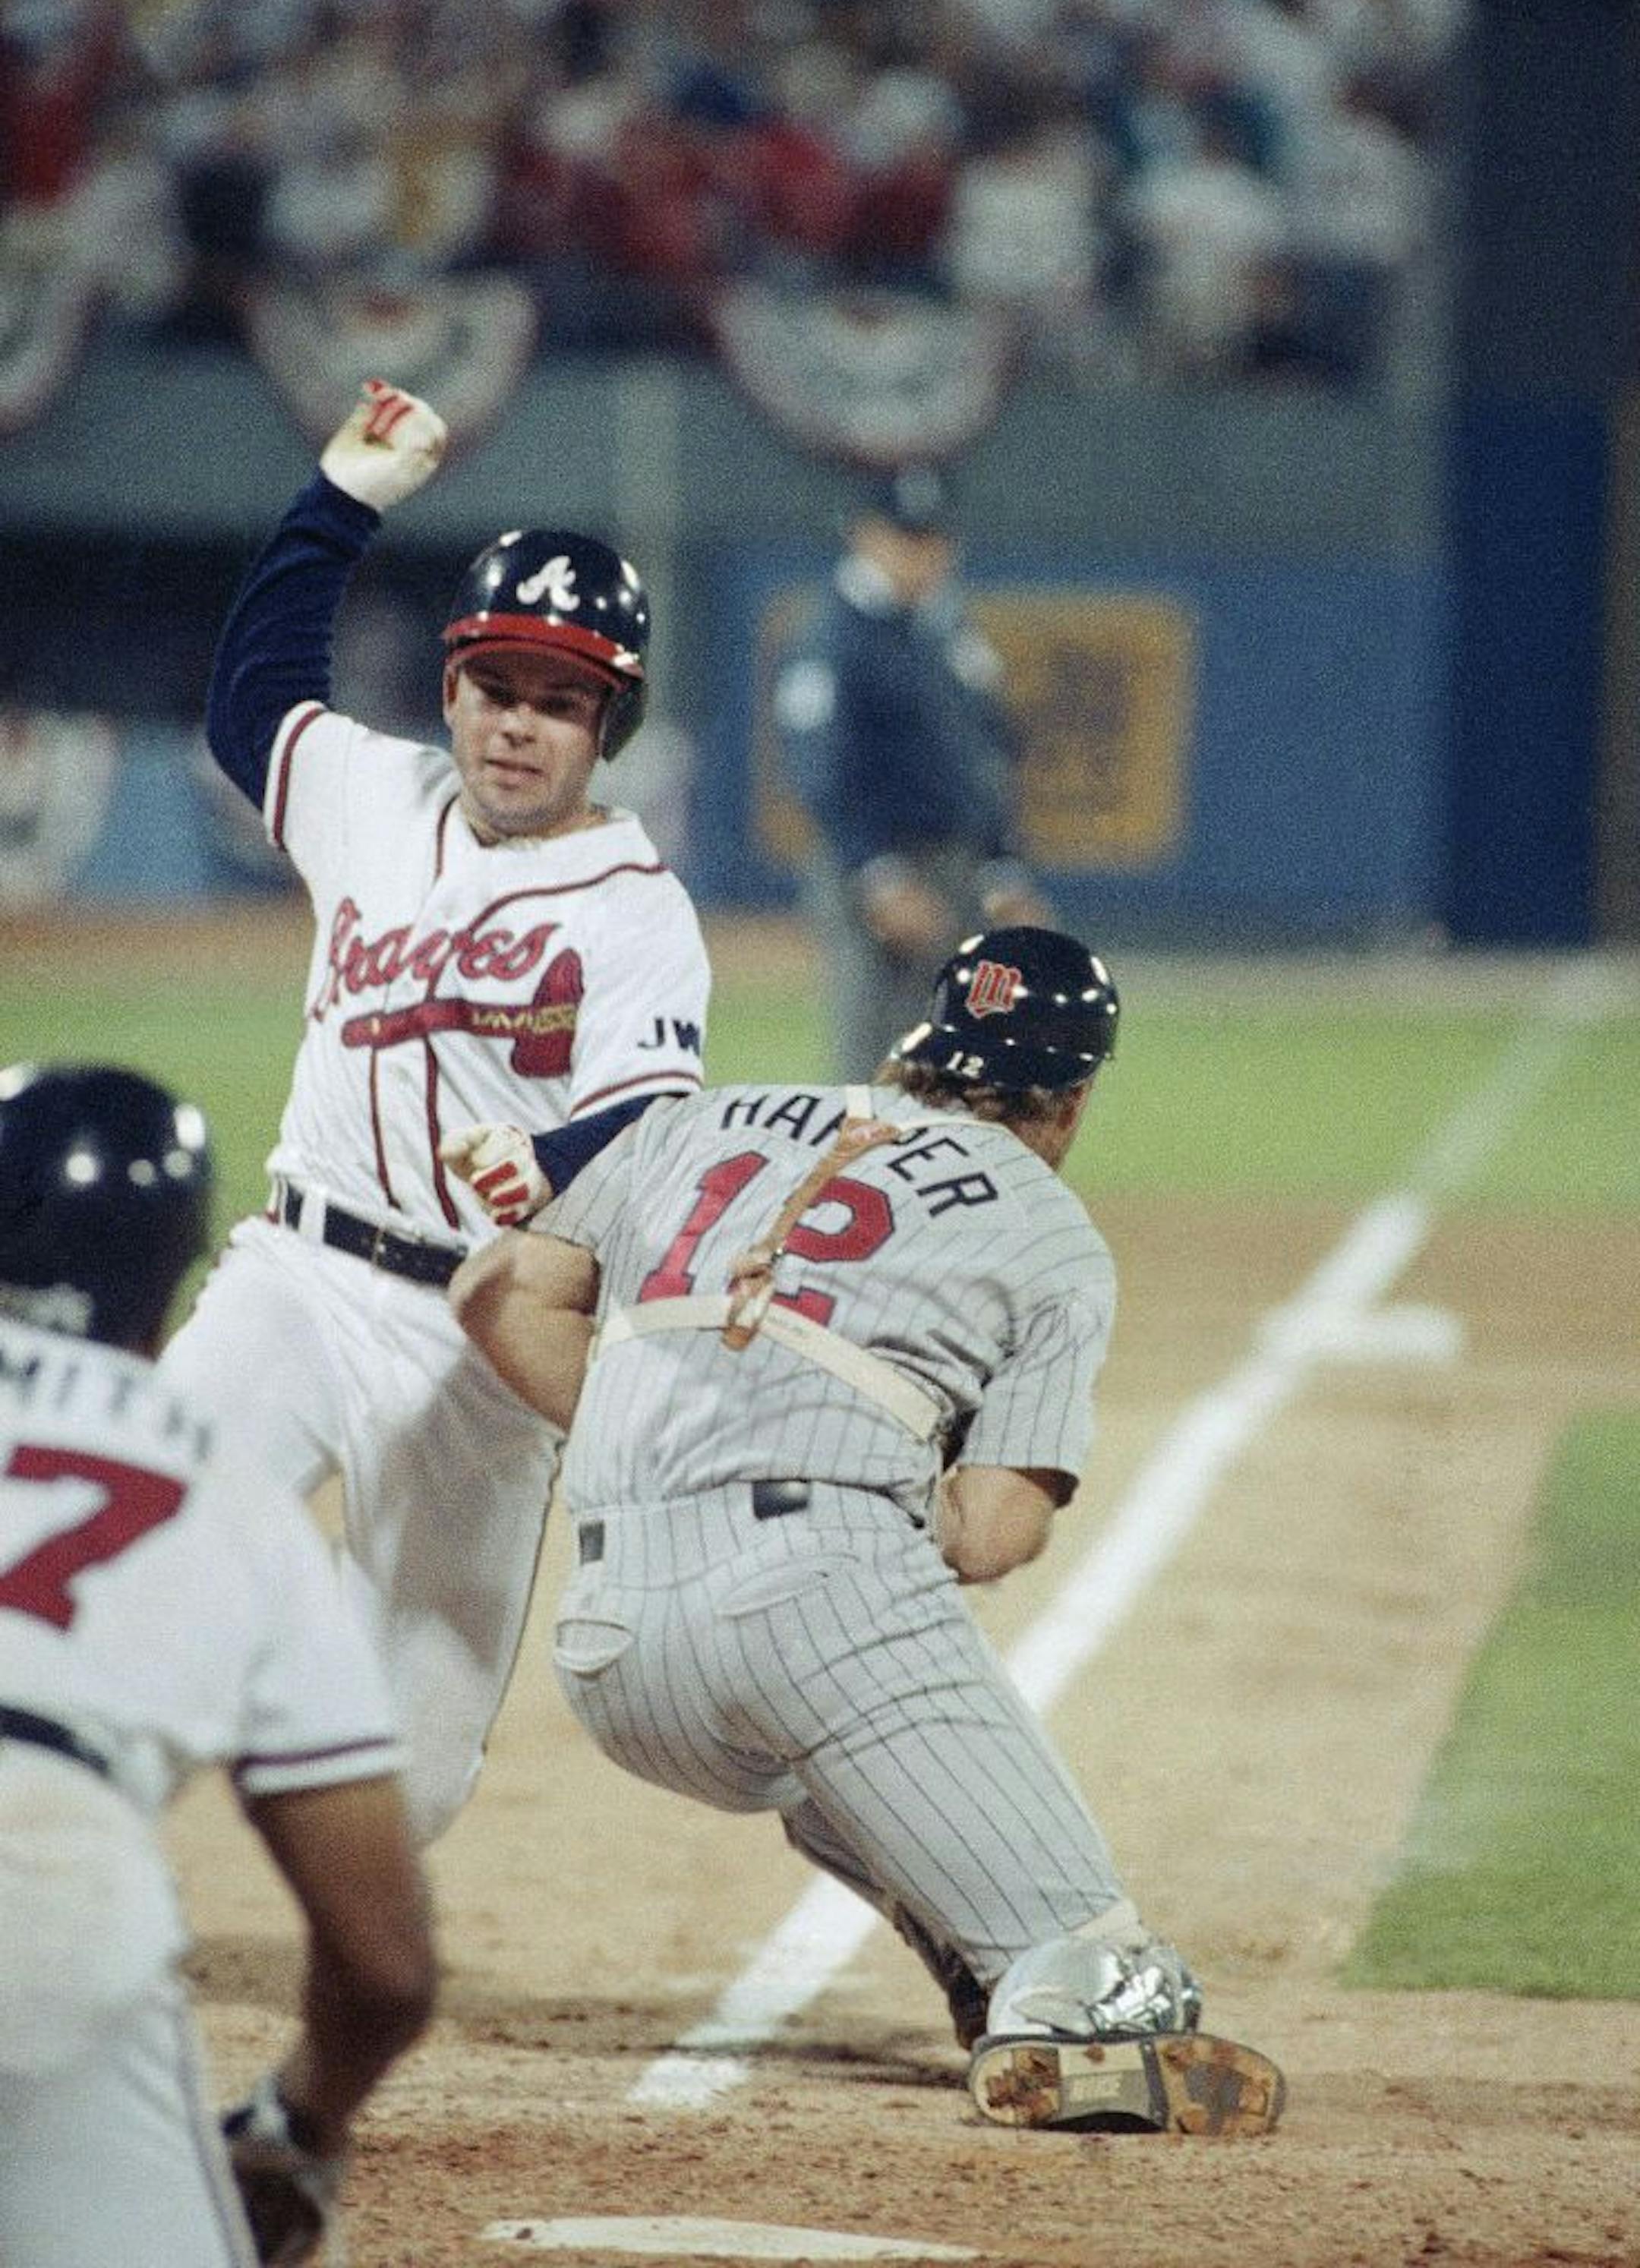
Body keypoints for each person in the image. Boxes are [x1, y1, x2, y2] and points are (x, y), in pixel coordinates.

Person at [447, 928, 1285, 2136]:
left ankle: (979, 1946)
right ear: (1077, 1094)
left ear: (924, 1044)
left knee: (822, 1740)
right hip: (809, 1616)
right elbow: (994, 1531)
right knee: (1132, 1985)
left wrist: (670, 1427)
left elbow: (491, 1290)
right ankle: (1052, 1999)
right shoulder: (1049, 1227)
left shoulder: (701, 1116)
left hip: (609, 1648)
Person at [159, 377, 712, 1844]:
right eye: (497, 687)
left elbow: (653, 1113)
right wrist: (335, 506)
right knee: (137, 1539)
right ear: (452, 685)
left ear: (608, 724)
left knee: (399, 1793)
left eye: (562, 700)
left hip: (477, 1338)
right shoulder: (371, 795)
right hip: (300, 1274)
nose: (519, 726)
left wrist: (546, 1157)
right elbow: (251, 703)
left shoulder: (637, 908)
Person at [0, 1062, 437, 2267]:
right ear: (176, 1279)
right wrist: (300, 2125)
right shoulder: (222, 1480)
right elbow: (386, 1965)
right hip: (45, 1890)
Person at [773, 466, 1052, 1080]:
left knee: (971, 1065)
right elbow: (819, 769)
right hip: (877, 870)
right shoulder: (830, 635)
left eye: (935, 536)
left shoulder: (944, 629)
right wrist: (878, 876)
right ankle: (856, 1178)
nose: (925, 552)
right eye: (907, 536)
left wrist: (1005, 866)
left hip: (961, 868)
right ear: (865, 536)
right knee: (877, 1067)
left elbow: (989, 756)